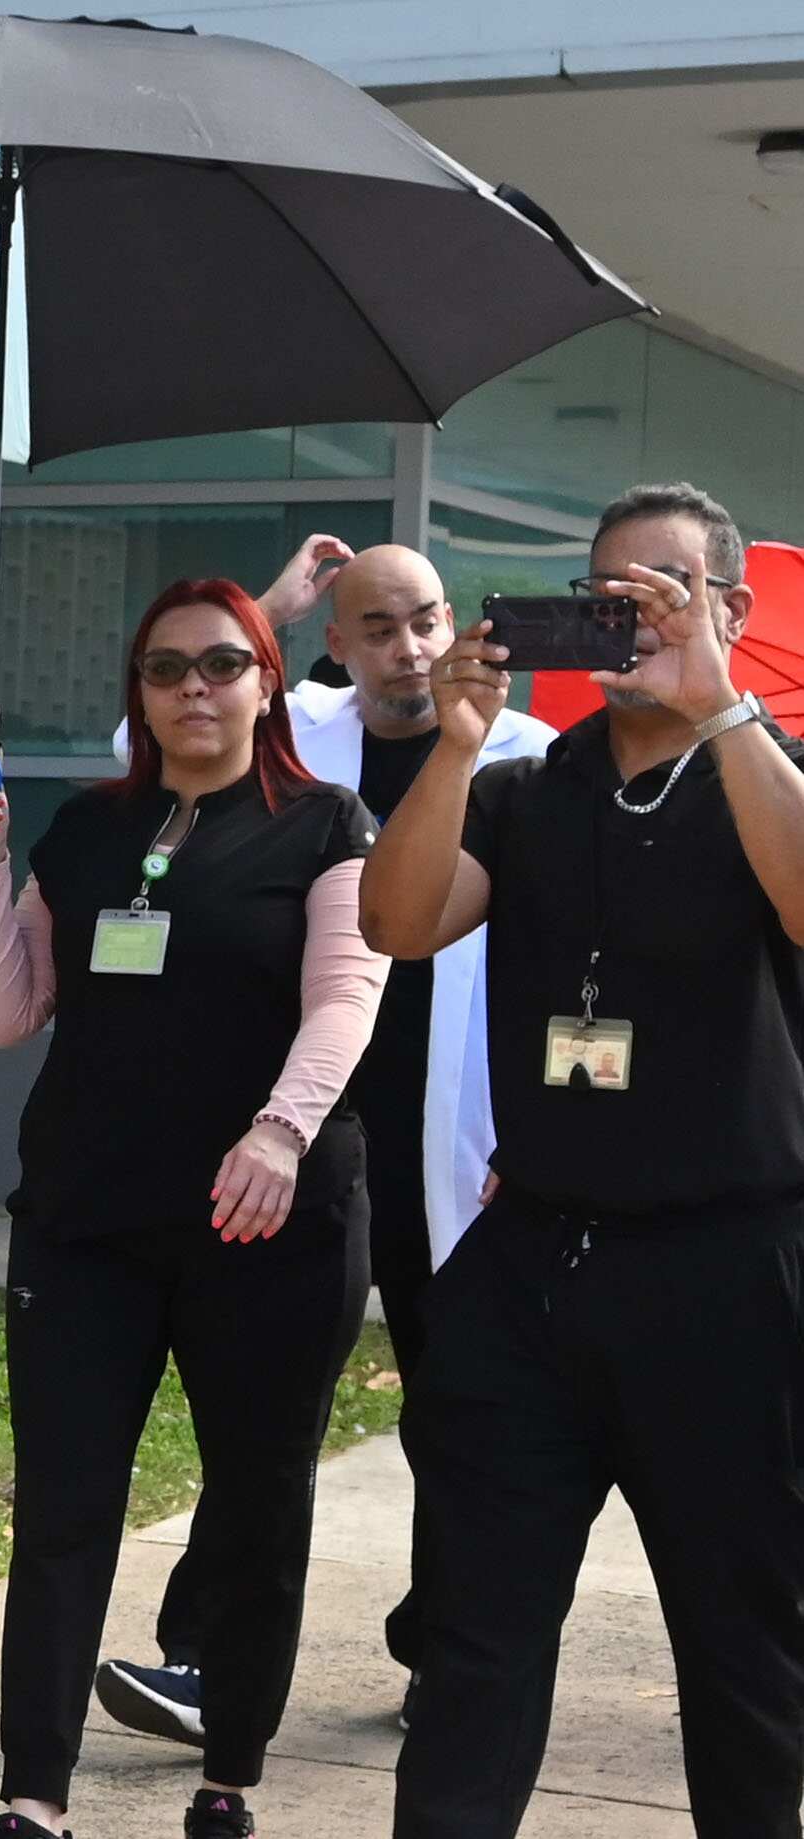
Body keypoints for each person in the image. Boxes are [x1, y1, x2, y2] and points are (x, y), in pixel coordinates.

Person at [364, 483, 804, 1839]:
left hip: (725, 1271)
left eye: (663, 589)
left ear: (724, 609)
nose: (630, 613)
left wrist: (722, 701)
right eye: (607, 589)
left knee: (740, 1653)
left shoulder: (757, 770)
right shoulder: (520, 785)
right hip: (532, 1267)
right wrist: (446, 743)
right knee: (473, 1645)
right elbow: (397, 921)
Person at [0, 578, 388, 1839]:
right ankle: (32, 1797)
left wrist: (279, 1130)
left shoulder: (325, 825)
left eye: (219, 664)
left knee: (257, 1501)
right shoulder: (87, 833)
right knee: (64, 1503)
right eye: (163, 668)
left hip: (265, 1222)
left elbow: (343, 1001)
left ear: (264, 678)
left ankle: (228, 1778)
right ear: (136, 691)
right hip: (87, 1215)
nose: (192, 688)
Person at [95, 540, 555, 1746]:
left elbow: (559, 947)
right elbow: (138, 756)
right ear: (334, 645)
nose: (410, 649)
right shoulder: (300, 735)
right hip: (309, 1141)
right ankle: (202, 1658)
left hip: (459, 1145)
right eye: (377, 628)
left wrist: (539, 1126)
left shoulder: (521, 753)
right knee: (266, 1417)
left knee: (458, 1413)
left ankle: (442, 1654)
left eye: (427, 621)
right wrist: (273, 607)